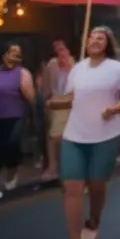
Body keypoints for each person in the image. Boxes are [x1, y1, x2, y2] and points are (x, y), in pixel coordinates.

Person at [49, 27, 120, 239]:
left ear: (108, 44)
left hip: (105, 135)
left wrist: (114, 109)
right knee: (72, 188)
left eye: (101, 38)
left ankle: (95, 219)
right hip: (74, 135)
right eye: (92, 37)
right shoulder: (78, 69)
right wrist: (54, 103)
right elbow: (71, 98)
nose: (95, 41)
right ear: (86, 41)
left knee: (97, 184)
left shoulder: (117, 69)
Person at [0, 43, 35, 200]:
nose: (13, 57)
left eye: (17, 54)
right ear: (3, 55)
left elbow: (31, 98)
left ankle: (11, 178)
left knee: (11, 149)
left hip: (13, 117)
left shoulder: (22, 73)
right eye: (11, 53)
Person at [43, 39, 74, 181]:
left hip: (72, 103)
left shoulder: (76, 64)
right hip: (57, 103)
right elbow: (48, 86)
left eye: (62, 49)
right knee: (54, 137)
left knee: (70, 137)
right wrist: (47, 102)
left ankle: (69, 167)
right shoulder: (52, 65)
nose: (60, 52)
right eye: (57, 50)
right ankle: (53, 166)